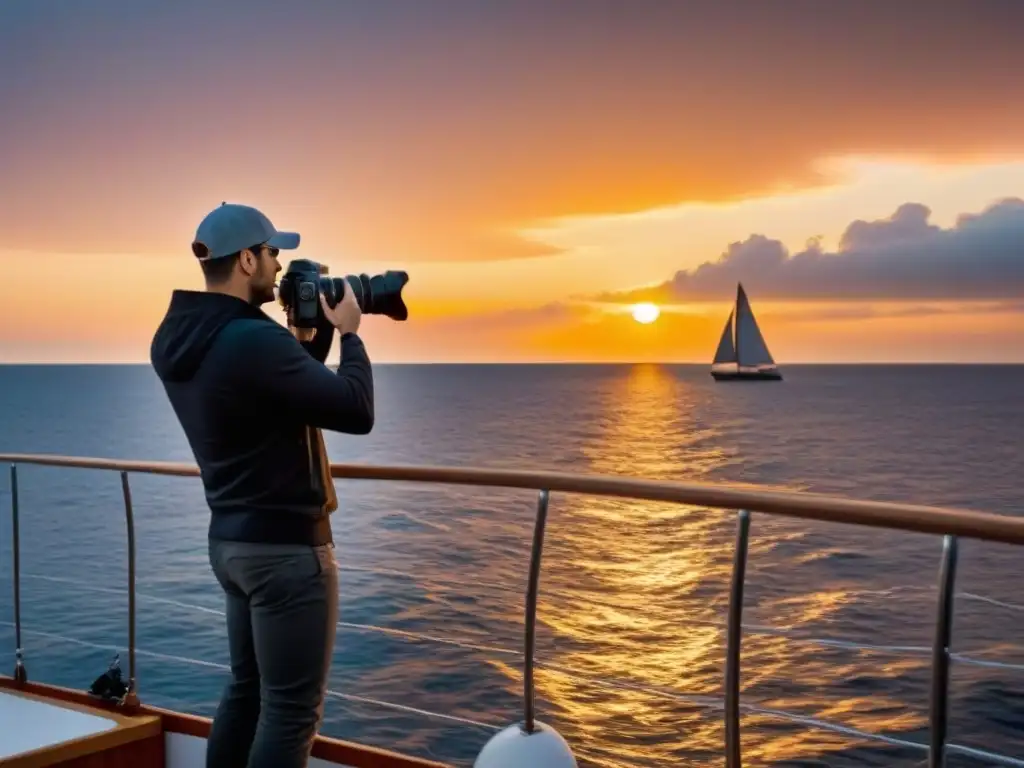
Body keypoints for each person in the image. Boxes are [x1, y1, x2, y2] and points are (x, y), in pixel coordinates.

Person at [149, 202, 374, 768]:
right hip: (287, 554)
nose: (279, 266)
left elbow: (279, 392)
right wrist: (349, 334)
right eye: (273, 253)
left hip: (231, 544)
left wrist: (302, 340)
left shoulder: (184, 337)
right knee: (291, 711)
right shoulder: (250, 339)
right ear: (247, 259)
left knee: (246, 692)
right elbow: (355, 408)